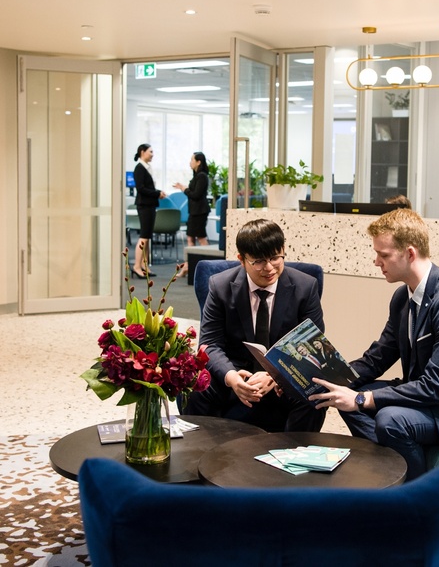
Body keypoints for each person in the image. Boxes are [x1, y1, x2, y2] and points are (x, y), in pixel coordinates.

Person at [309, 208, 439, 480]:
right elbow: (377, 358)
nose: (376, 262)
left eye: (383, 255)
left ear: (409, 253)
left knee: (387, 417)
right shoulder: (402, 298)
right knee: (345, 396)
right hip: (437, 395)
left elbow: (434, 386)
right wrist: (329, 379)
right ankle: (390, 472)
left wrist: (362, 399)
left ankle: (417, 492)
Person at [183, 218, 326, 433]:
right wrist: (232, 378)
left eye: (275, 258)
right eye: (258, 261)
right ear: (242, 259)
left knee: (317, 388)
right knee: (196, 384)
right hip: (237, 373)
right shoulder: (221, 286)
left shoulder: (305, 287)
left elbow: (311, 345)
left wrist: (275, 375)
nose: (269, 268)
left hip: (283, 377)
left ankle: (295, 457)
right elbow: (209, 344)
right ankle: (203, 455)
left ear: (283, 251)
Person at [173, 152, 210, 278]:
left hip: (200, 212)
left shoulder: (202, 176)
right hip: (194, 212)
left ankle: (210, 265)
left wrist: (184, 189)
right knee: (190, 238)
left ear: (198, 162)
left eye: (192, 159)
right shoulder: (197, 176)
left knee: (201, 238)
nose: (190, 162)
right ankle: (188, 267)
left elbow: (196, 194)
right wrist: (183, 188)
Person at [132, 144, 166, 278]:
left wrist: (157, 194)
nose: (152, 154)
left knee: (147, 237)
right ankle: (136, 266)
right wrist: (157, 193)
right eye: (150, 151)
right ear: (142, 152)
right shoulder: (139, 168)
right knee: (144, 236)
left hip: (150, 205)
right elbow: (141, 189)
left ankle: (144, 266)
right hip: (144, 205)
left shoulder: (147, 167)